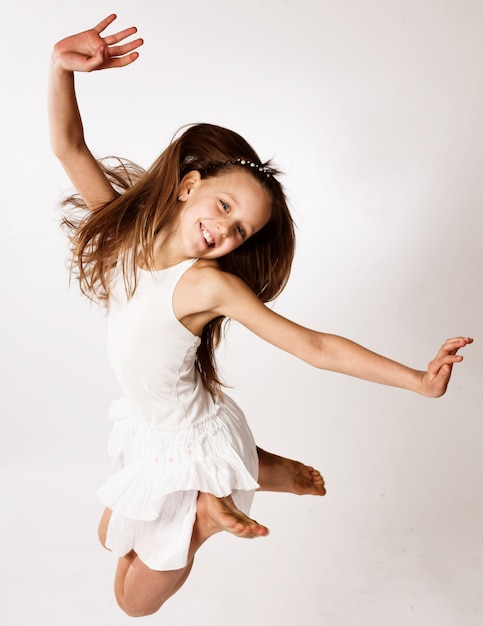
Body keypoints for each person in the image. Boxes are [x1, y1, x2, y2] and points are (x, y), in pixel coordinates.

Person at [49, 14, 472, 618]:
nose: (223, 229)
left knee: (131, 601)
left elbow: (313, 345)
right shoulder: (123, 234)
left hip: (183, 438)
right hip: (152, 431)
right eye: (223, 205)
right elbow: (68, 146)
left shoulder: (205, 286)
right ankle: (259, 466)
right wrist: (60, 66)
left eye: (239, 229)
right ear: (187, 184)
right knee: (107, 539)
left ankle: (204, 515)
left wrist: (417, 381)